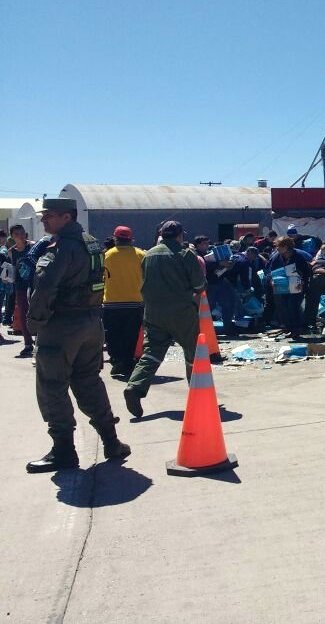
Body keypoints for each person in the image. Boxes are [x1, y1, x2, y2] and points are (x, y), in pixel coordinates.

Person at [24, 198, 130, 473]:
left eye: (49, 216)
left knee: (52, 385)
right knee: (88, 381)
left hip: (62, 326)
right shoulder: (91, 242)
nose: (44, 220)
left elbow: (45, 287)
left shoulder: (61, 248)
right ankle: (111, 441)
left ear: (67, 217)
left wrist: (34, 323)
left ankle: (63, 451)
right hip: (91, 323)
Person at [123, 221, 206, 418]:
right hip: (181, 312)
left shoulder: (149, 254)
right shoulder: (186, 254)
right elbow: (199, 284)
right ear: (179, 235)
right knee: (193, 354)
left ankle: (135, 387)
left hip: (153, 312)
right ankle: (199, 395)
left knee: (152, 352)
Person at [102, 226, 146, 377]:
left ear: (115, 238)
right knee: (131, 335)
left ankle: (117, 360)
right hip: (135, 302)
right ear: (130, 239)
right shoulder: (140, 254)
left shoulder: (107, 255)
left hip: (111, 303)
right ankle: (127, 362)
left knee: (113, 335)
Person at [267, 236, 312, 337]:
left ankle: (297, 329)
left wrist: (303, 282)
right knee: (284, 307)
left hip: (296, 285)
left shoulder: (298, 257)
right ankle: (289, 328)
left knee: (294, 306)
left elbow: (306, 272)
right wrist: (271, 281)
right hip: (282, 286)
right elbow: (270, 271)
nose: (277, 248)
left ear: (286, 247)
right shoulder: (276, 257)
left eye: (279, 246)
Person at [9, 224, 35, 357]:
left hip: (35, 284)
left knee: (37, 313)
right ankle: (28, 344)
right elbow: (11, 269)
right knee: (23, 314)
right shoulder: (11, 251)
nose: (21, 235)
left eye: (22, 232)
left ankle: (41, 341)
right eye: (17, 234)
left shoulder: (33, 247)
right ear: (12, 237)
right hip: (20, 286)